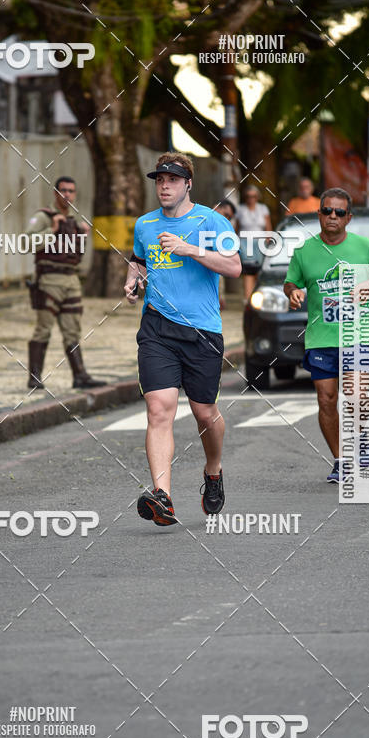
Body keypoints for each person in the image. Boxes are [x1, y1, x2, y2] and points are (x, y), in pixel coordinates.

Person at [124, 152, 241, 526]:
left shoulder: (210, 221)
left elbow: (235, 266)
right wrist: (133, 280)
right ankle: (163, 496)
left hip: (202, 331)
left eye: (172, 180)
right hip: (157, 328)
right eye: (159, 180)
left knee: (204, 413)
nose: (164, 186)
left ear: (188, 184)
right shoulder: (145, 224)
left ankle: (213, 469)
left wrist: (190, 248)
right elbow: (139, 259)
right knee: (159, 410)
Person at [283, 187, 369, 483]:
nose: (332, 216)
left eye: (339, 212)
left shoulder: (364, 247)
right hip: (321, 337)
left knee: (355, 397)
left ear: (349, 218)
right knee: (327, 399)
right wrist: (293, 293)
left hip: (355, 334)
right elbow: (290, 282)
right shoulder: (305, 251)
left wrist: (368, 285)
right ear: (318, 214)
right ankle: (341, 460)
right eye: (327, 211)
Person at [26, 176, 105, 390]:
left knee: (72, 329)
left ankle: (80, 375)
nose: (67, 195)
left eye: (71, 191)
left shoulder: (74, 220)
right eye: (63, 191)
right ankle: (34, 377)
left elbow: (76, 255)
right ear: (55, 193)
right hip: (49, 279)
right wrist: (51, 229)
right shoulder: (44, 216)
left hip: (71, 279)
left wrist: (82, 235)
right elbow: (27, 242)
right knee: (44, 328)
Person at [236, 185, 272, 305]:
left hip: (261, 243)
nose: (251, 198)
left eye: (253, 196)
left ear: (257, 197)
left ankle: (258, 299)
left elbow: (268, 226)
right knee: (248, 271)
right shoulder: (240, 209)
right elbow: (237, 227)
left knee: (259, 271)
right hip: (245, 243)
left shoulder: (263, 208)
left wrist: (268, 239)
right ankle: (248, 300)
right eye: (248, 196)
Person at [214, 199, 237, 310]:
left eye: (229, 218)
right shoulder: (198, 218)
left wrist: (221, 296)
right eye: (226, 214)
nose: (226, 219)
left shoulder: (223, 230)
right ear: (216, 207)